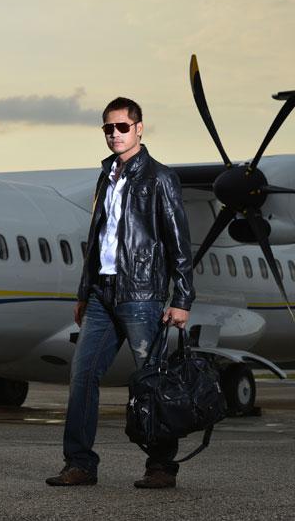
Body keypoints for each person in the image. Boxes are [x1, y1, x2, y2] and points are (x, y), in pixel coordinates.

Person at [45, 97, 195, 489]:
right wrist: (84, 292)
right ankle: (80, 464)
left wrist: (181, 299)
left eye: (122, 127)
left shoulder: (160, 178)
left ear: (139, 129)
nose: (115, 134)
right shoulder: (106, 176)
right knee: (82, 376)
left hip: (142, 295)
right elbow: (98, 240)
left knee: (151, 382)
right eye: (108, 128)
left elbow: (179, 243)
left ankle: (161, 466)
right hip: (101, 294)